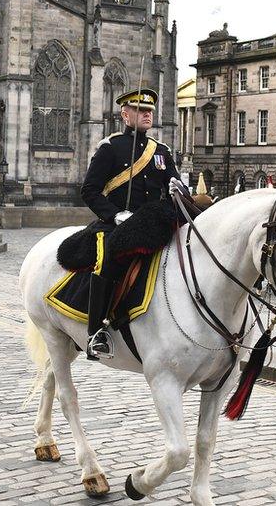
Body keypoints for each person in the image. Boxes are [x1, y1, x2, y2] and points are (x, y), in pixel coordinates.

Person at [80, 87, 182, 359]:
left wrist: (182, 192)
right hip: (119, 223)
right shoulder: (111, 147)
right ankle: (96, 333)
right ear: (125, 115)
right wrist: (115, 214)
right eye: (140, 110)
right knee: (107, 260)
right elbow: (89, 190)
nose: (147, 114)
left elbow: (175, 186)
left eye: (149, 110)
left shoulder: (161, 151)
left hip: (154, 223)